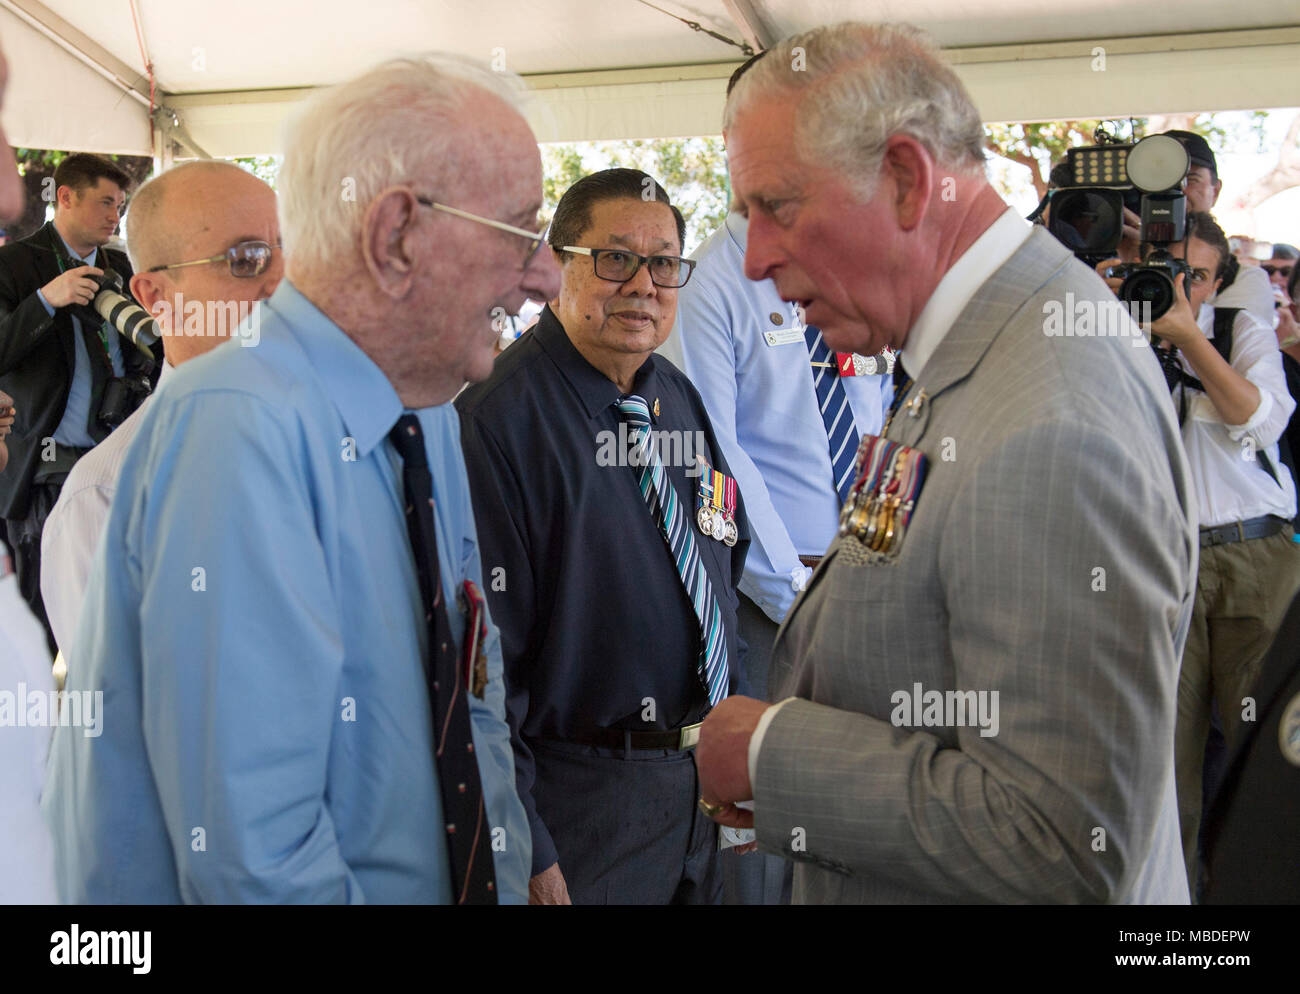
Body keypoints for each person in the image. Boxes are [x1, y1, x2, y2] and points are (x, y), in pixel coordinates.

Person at [693, 21, 1194, 904]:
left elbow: (1061, 844)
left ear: (906, 179)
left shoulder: (1049, 419)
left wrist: (776, 756)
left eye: (776, 206)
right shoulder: (989, 348)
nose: (758, 257)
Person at [42, 54, 553, 904]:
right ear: (395, 236)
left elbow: (474, 708)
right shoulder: (234, 425)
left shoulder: (426, 416)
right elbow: (256, 865)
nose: (544, 276)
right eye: (518, 232)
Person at [457, 168, 751, 905]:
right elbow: (479, 668)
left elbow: (719, 569)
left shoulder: (672, 398)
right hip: (580, 806)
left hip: (699, 797)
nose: (644, 285)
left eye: (663, 264)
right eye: (615, 259)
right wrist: (520, 836)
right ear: (558, 264)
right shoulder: (498, 422)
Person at [669, 53, 890, 906]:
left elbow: (878, 419)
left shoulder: (844, 265)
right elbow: (715, 455)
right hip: (776, 595)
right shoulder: (713, 281)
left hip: (864, 576)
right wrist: (794, 588)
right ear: (730, 141)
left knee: (853, 808)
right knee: (764, 822)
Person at [1098, 210, 1300, 895]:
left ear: (1217, 283)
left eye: (1198, 275)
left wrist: (1188, 338)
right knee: (1166, 762)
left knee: (1264, 751)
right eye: (1168, 269)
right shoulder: (1112, 332)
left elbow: (1261, 416)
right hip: (1162, 564)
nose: (1181, 285)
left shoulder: (1239, 329)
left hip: (1255, 562)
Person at [40, 160, 283, 654]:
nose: (282, 281)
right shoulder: (106, 500)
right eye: (248, 259)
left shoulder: (350, 442)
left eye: (289, 252)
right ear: (155, 295)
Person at [0, 153, 160, 651]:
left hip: (116, 466)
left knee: (117, 611)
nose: (116, 214)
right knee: (37, 616)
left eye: (121, 203)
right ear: (65, 198)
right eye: (106, 202)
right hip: (43, 470)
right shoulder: (15, 265)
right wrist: (46, 300)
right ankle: (30, 723)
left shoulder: (124, 269)